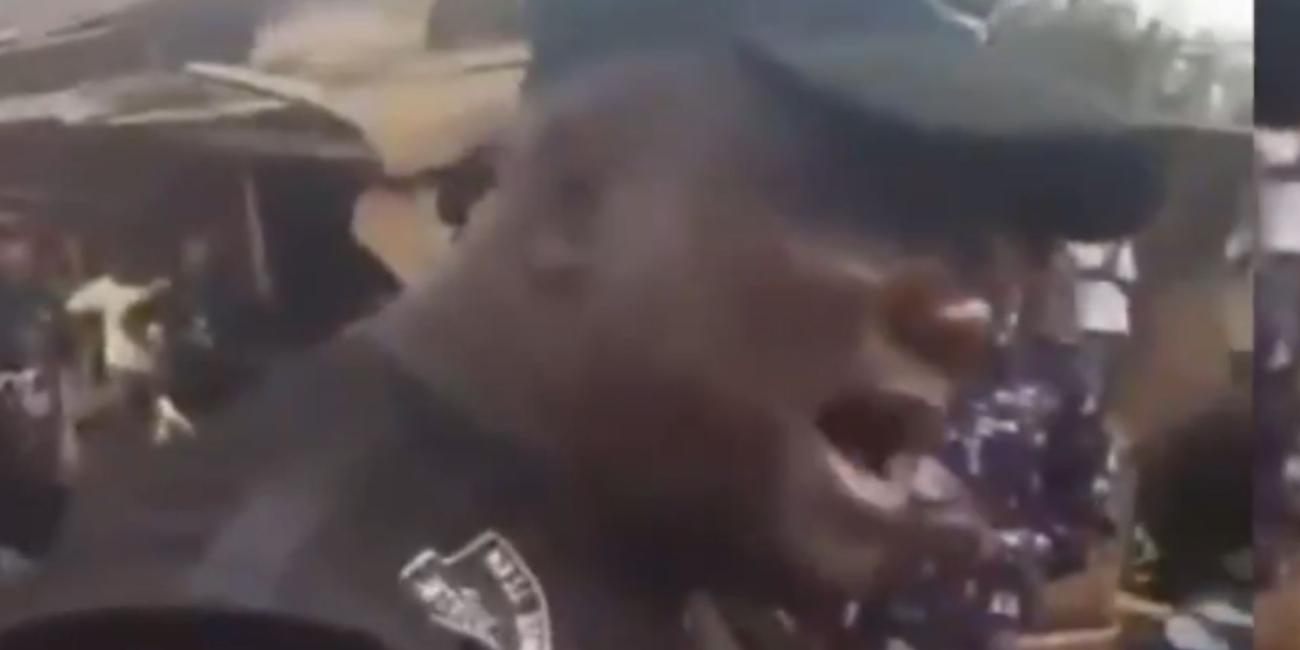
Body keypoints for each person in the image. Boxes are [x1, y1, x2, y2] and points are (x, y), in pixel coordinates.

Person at [0, 36, 1159, 650]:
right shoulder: (259, 612)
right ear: (574, 204)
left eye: (994, 255)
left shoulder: (654, 523)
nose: (971, 315)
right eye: (887, 208)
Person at [64, 270, 193, 445]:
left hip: (149, 374)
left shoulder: (159, 292)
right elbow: (72, 309)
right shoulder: (107, 290)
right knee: (123, 394)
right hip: (124, 373)